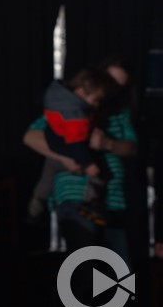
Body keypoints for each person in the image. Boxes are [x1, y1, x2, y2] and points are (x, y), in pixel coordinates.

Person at [23, 57, 138, 266]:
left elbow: (132, 148)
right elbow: (31, 137)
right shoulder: (71, 107)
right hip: (75, 195)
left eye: (118, 86)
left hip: (112, 201)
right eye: (109, 80)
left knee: (120, 274)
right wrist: (69, 157)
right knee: (84, 269)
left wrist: (107, 143)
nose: (112, 88)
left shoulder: (120, 112)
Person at [40, 67, 117, 226]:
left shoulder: (61, 101)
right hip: (69, 147)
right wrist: (88, 164)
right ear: (81, 92)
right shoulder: (75, 114)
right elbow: (75, 142)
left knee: (46, 179)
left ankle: (36, 206)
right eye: (95, 100)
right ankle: (90, 205)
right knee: (99, 174)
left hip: (57, 141)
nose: (96, 105)